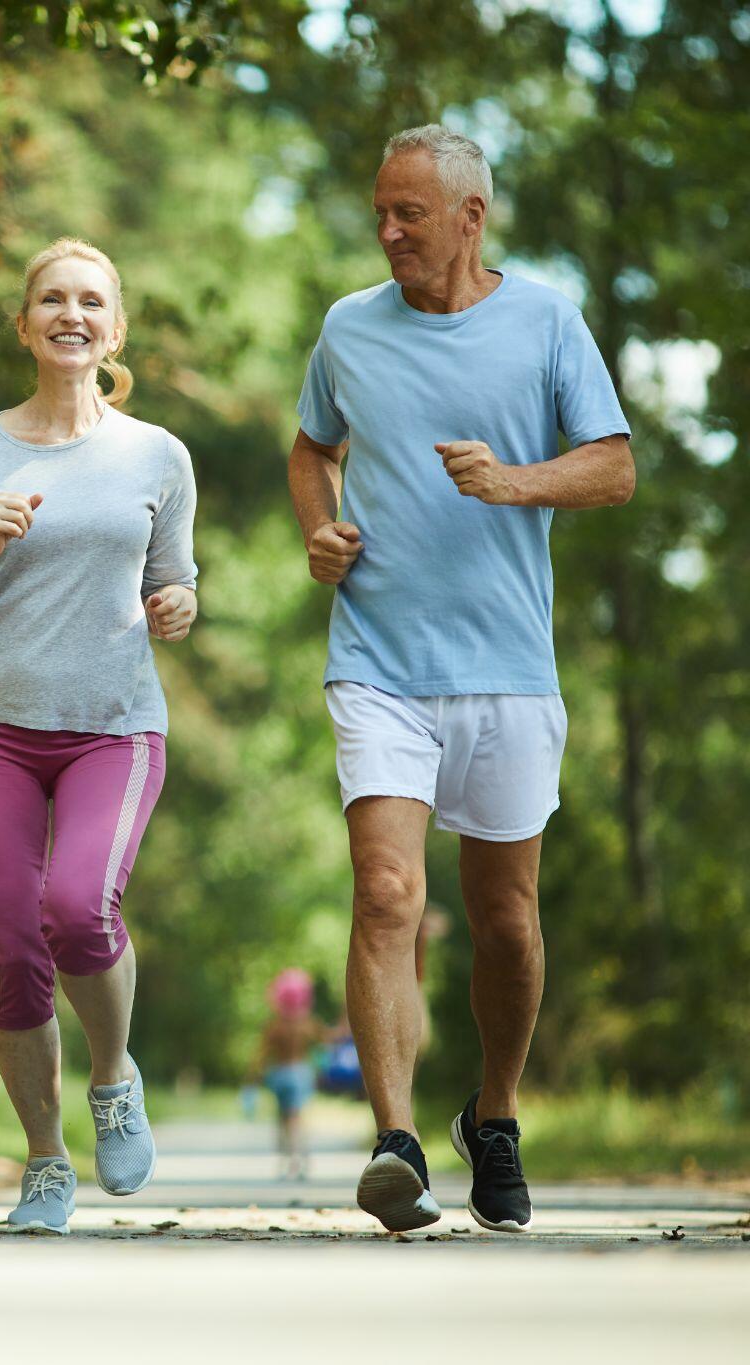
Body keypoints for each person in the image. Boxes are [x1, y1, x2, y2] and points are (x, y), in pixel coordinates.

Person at [287, 126, 634, 1234]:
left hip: (506, 669)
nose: (385, 231)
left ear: (470, 217)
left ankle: (492, 1115)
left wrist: (512, 480)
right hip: (378, 657)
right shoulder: (347, 327)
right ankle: (392, 1144)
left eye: (408, 214)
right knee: (387, 894)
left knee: (506, 924)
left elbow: (614, 467)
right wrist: (319, 531)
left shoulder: (543, 321)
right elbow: (310, 448)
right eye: (378, 212)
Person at [0, 236, 198, 1234]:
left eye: (90, 302)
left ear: (113, 329)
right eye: (52, 299)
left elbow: (171, 576)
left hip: (113, 728)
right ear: (23, 324)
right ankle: (43, 1161)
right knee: (11, 953)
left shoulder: (157, 454)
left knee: (77, 908)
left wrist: (175, 606)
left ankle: (111, 1077)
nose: (71, 314)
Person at [249, 969, 327, 1181]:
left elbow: (262, 1054)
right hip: (301, 1073)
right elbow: (325, 1042)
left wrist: (252, 1077)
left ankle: (286, 1161)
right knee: (297, 1118)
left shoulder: (274, 1026)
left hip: (280, 1074)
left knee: (283, 1118)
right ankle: (300, 1159)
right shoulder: (307, 1024)